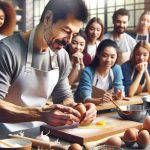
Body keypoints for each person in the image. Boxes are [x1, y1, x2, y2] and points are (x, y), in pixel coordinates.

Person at [0, 0, 97, 132]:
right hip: (4, 136)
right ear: (47, 18)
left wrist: (77, 108)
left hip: (40, 134)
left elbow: (63, 97)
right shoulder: (6, 51)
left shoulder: (61, 57)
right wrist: (40, 114)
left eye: (73, 34)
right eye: (66, 30)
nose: (68, 41)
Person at [75, 39, 125, 105]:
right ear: (98, 54)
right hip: (84, 107)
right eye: (105, 56)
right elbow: (86, 99)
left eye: (112, 57)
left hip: (105, 107)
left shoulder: (116, 69)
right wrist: (100, 100)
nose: (108, 60)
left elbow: (119, 88)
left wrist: (119, 94)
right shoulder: (88, 71)